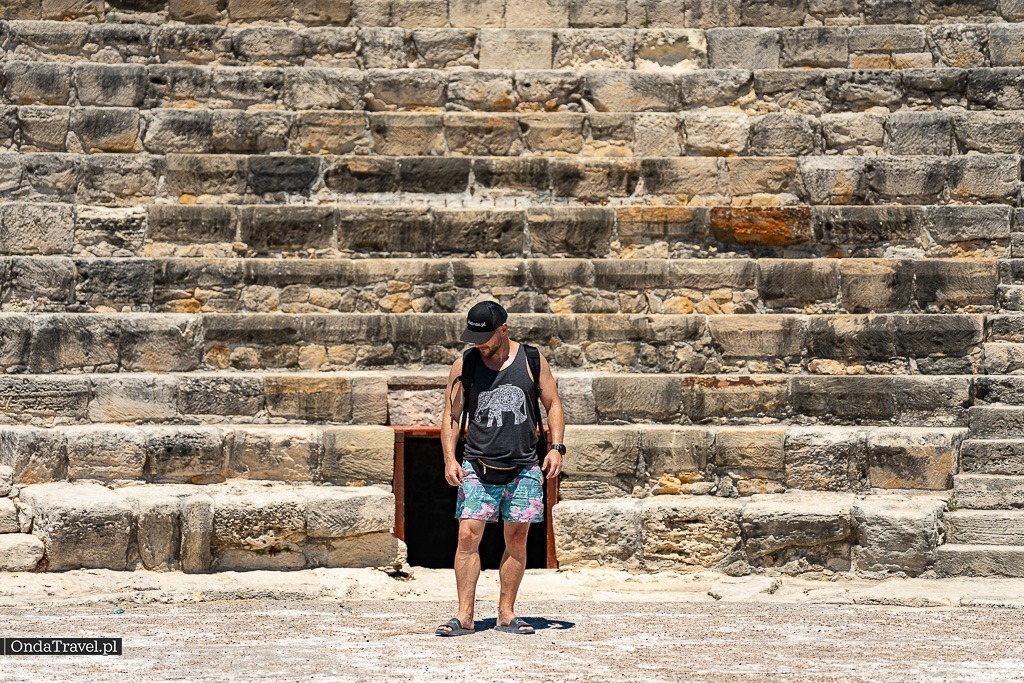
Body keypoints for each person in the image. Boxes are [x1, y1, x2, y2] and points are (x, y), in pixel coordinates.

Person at [434, 301, 566, 636]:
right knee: (467, 535)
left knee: (517, 538)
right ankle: (464, 615)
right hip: (477, 466)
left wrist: (556, 447)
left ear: (503, 329)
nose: (479, 343)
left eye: (485, 336)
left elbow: (552, 404)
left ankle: (506, 613)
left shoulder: (532, 360)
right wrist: (450, 458)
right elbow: (452, 415)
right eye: (473, 336)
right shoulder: (464, 364)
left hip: (523, 467)